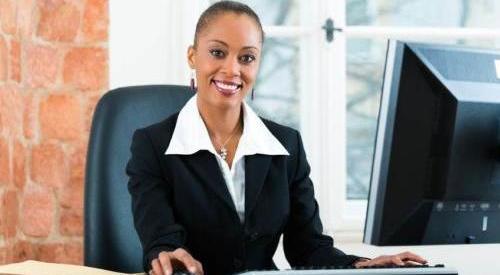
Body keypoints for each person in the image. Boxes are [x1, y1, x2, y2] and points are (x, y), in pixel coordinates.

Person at [126, 1, 427, 275]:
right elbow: (161, 239)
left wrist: (362, 265)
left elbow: (308, 249)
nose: (232, 69)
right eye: (217, 52)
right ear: (192, 56)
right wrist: (165, 256)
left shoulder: (286, 146)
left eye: (247, 57)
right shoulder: (152, 146)